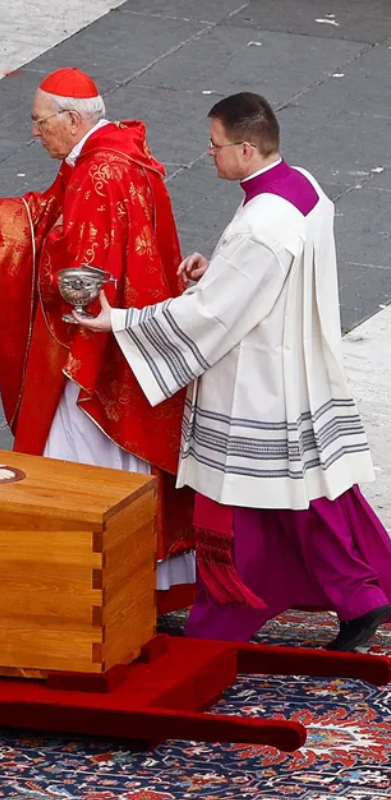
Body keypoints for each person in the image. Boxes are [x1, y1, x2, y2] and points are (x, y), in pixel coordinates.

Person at [73, 91, 391, 651]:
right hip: (293, 361)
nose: (209, 154)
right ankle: (360, 596)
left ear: (247, 148)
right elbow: (256, 278)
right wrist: (218, 269)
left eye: (216, 145)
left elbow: (210, 314)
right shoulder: (304, 188)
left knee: (242, 506)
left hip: (255, 380)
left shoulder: (260, 225)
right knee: (309, 493)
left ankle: (227, 619)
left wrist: (117, 321)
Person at [0, 67, 195, 592]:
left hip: (91, 351)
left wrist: (40, 269)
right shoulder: (112, 155)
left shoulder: (100, 174)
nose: (35, 132)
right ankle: (131, 577)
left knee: (82, 463)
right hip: (130, 337)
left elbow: (76, 266)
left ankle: (82, 578)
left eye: (39, 121)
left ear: (72, 119)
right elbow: (50, 211)